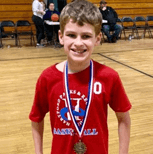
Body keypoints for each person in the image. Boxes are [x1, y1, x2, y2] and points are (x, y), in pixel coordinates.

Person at [29, 0, 131, 154]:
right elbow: (36, 118)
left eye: (86, 36)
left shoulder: (109, 77)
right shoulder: (47, 78)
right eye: (71, 35)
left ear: (97, 39)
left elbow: (123, 118)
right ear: (61, 37)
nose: (78, 43)